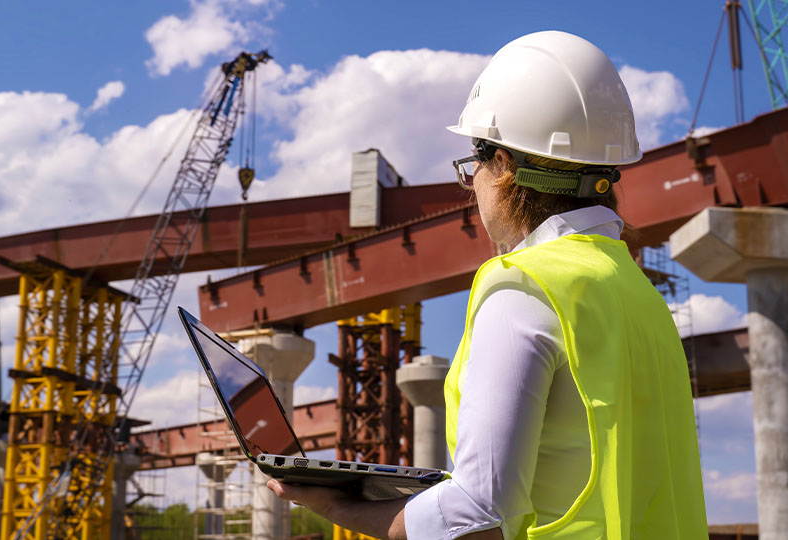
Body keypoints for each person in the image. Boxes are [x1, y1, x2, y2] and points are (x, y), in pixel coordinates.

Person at [267, 31, 708, 539]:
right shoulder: (638, 292)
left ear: (502, 166)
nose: (471, 185)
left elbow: (478, 514)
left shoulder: (524, 286)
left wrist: (338, 509)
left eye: (472, 166)